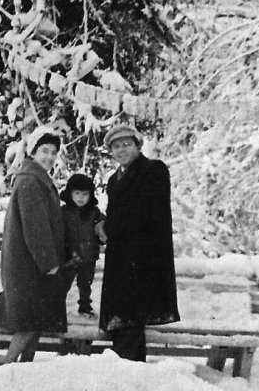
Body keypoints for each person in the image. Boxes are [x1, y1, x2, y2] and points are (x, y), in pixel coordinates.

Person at [99, 121, 180, 362]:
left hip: (144, 261)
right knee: (120, 324)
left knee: (132, 322)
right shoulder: (114, 180)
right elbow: (116, 215)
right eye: (116, 147)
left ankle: (132, 378)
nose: (122, 150)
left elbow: (146, 213)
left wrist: (110, 227)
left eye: (127, 144)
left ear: (137, 146)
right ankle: (124, 377)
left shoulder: (153, 170)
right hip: (120, 261)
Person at [0, 126, 67, 363]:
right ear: (32, 152)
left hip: (29, 264)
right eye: (44, 150)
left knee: (35, 321)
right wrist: (48, 262)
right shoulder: (31, 181)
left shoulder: (35, 178)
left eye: (54, 152)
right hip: (29, 266)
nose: (50, 157)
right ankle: (6, 367)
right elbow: (36, 227)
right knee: (29, 322)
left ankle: (23, 370)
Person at [60, 173, 106, 317]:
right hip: (69, 256)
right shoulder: (63, 212)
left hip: (88, 256)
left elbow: (102, 227)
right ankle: (58, 305)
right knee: (63, 283)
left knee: (85, 284)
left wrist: (103, 233)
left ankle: (85, 306)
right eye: (77, 193)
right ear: (70, 194)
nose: (81, 197)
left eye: (85, 194)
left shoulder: (94, 213)